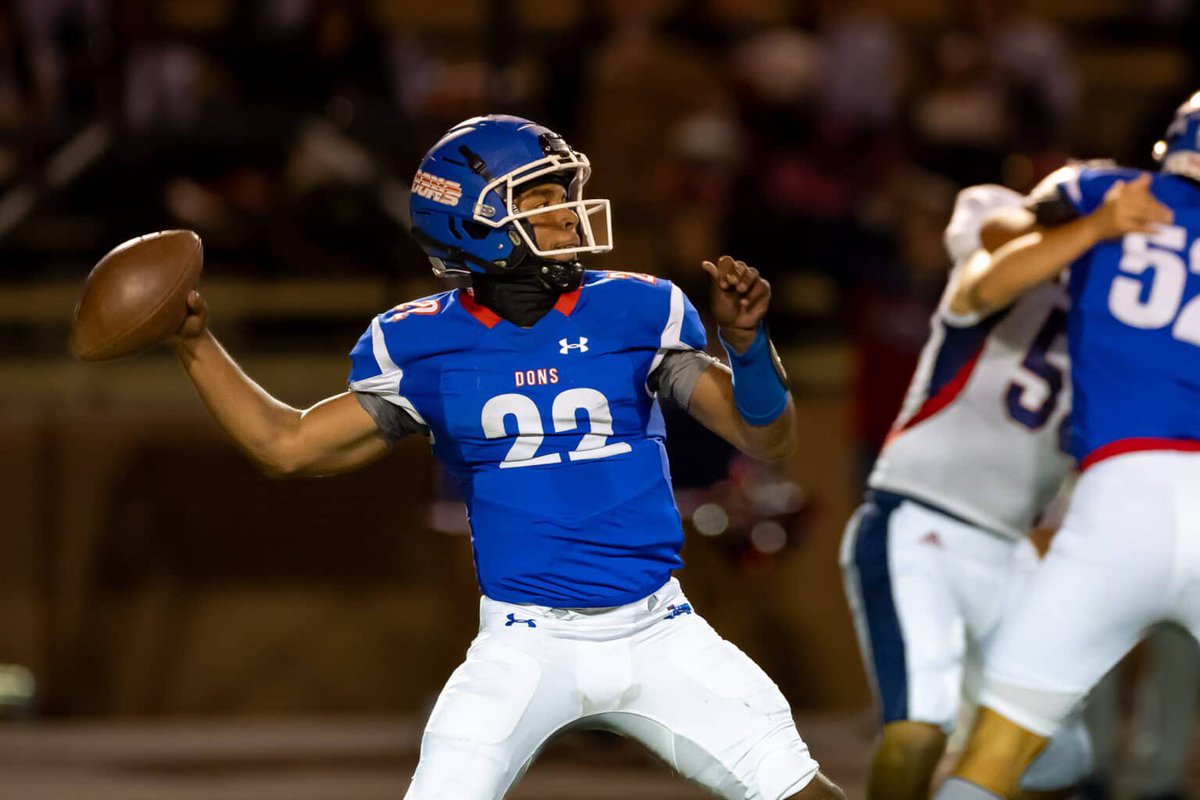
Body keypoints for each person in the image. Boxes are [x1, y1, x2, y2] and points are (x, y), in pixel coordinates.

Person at [169, 114, 843, 800]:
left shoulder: (636, 309)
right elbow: (286, 447)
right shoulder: (422, 343)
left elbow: (767, 437)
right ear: (474, 222)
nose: (569, 214)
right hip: (524, 644)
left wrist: (749, 346)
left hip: (660, 630)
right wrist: (196, 344)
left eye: (564, 193)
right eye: (541, 199)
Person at [932, 94, 1196, 800]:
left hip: (1118, 497)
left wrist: (1094, 226)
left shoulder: (1107, 190)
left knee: (996, 749)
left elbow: (991, 257)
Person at [841, 180, 1095, 800]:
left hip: (1010, 543)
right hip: (921, 518)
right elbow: (988, 250)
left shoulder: (1113, 313)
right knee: (920, 727)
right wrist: (1091, 223)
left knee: (1058, 755)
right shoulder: (996, 258)